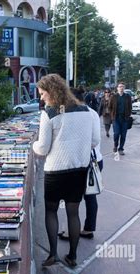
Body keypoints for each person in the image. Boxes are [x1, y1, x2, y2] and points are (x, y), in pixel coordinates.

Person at [33, 74, 100, 268]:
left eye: (43, 93)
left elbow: (43, 148)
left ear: (52, 91)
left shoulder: (49, 113)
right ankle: (72, 256)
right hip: (79, 170)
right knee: (73, 213)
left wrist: (34, 145)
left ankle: (53, 254)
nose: (41, 98)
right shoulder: (86, 110)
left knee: (51, 211)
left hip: (55, 172)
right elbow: (94, 141)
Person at [59, 87, 104, 241]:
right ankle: (88, 228)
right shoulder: (93, 113)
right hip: (95, 160)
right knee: (90, 197)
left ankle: (69, 231)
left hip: (80, 162)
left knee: (72, 198)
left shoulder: (74, 114)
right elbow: (95, 140)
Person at [109, 82, 133, 155]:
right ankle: (115, 145)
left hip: (124, 118)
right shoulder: (113, 96)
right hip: (116, 118)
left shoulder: (127, 96)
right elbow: (110, 107)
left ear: (124, 88)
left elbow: (130, 107)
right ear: (117, 88)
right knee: (116, 133)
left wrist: (128, 115)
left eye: (122, 87)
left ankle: (121, 149)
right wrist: (112, 115)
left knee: (123, 134)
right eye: (120, 87)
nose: (121, 88)